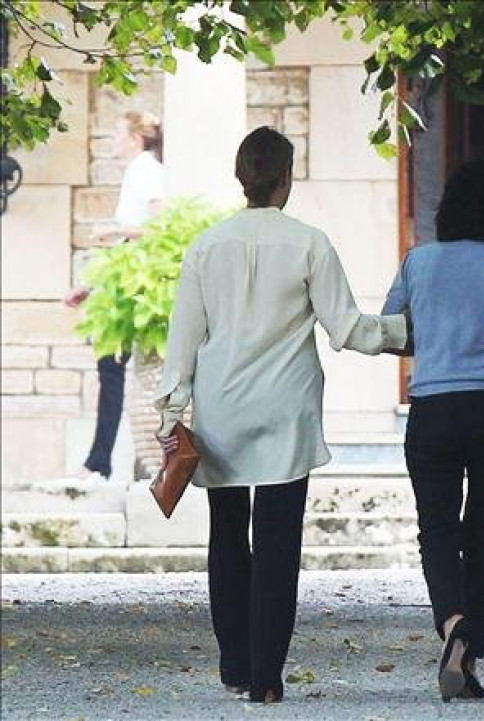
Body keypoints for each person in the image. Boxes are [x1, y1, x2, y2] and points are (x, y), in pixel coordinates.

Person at [153, 127, 408, 704]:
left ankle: (234, 664)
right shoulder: (309, 243)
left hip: (221, 411)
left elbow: (183, 342)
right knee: (276, 545)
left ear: (241, 177)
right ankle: (267, 676)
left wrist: (170, 417)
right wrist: (405, 332)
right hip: (286, 414)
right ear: (286, 177)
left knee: (226, 538)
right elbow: (347, 329)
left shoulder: (206, 247)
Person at [382, 160, 484, 702]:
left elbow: (393, 330)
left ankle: (452, 625)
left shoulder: (419, 261)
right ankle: (469, 656)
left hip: (433, 406)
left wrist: (436, 339)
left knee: (438, 527)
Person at [64, 110, 165, 480]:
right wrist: (92, 287)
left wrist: (113, 230)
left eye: (117, 134)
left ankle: (101, 462)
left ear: (135, 139)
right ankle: (100, 461)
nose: (113, 142)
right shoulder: (139, 171)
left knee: (114, 368)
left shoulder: (146, 170)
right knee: (112, 367)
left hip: (134, 286)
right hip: (122, 281)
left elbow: (158, 227)